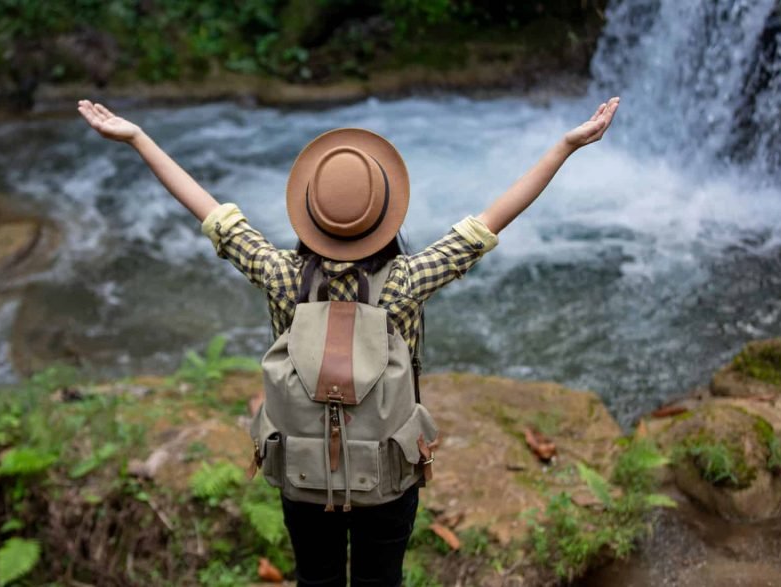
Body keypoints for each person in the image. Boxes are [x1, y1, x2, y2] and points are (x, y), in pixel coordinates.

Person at [77, 96, 620, 586]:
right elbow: (489, 223)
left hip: (302, 470)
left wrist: (138, 138)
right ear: (385, 215)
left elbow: (211, 212)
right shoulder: (408, 281)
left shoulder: (280, 275)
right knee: (381, 579)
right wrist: (565, 146)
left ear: (309, 213)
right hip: (387, 474)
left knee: (316, 578)